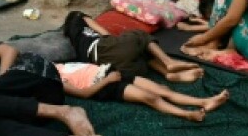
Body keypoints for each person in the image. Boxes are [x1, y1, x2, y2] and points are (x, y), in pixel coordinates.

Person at [57, 61, 230, 123]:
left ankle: (205, 101)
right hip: (104, 85)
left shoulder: (59, 64)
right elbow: (85, 94)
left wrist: (110, 73)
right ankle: (187, 114)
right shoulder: (57, 80)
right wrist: (107, 80)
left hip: (111, 71)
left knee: (163, 90)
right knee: (150, 97)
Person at [63, 10, 205, 83]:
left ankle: (169, 74)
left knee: (141, 56)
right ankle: (169, 63)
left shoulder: (76, 40)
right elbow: (105, 33)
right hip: (102, 47)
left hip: (113, 67)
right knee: (139, 36)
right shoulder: (78, 17)